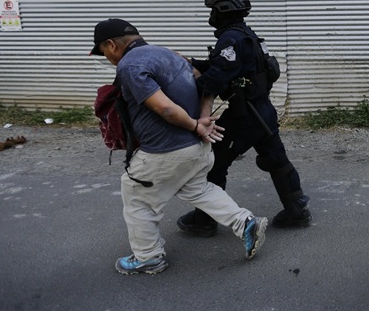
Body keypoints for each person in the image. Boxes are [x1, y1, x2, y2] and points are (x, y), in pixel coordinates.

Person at [89, 18, 268, 275]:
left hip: (165, 151)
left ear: (111, 45)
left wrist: (197, 125)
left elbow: (164, 107)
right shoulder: (171, 55)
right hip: (195, 150)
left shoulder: (131, 64)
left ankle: (148, 258)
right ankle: (245, 223)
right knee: (199, 190)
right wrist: (202, 121)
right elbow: (208, 84)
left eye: (103, 51)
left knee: (138, 198)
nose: (105, 57)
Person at [176, 0, 311, 237]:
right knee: (276, 159)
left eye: (213, 9)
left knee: (213, 163)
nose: (211, 15)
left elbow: (217, 76)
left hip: (244, 116)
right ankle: (297, 210)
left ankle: (204, 219)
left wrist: (181, 88)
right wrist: (193, 63)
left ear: (223, 10)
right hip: (263, 111)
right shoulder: (247, 35)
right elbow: (230, 65)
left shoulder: (231, 39)